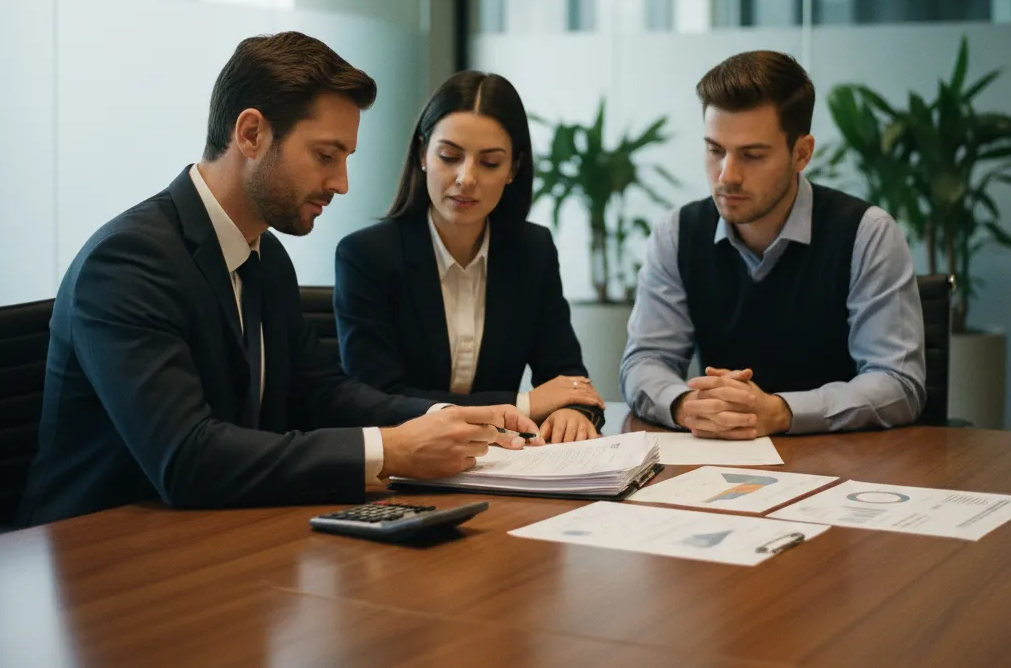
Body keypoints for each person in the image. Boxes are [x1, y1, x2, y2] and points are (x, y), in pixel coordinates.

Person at [19, 33, 540, 526]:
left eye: (344, 159)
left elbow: (321, 393)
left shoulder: (265, 257)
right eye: (325, 155)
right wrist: (393, 449)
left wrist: (448, 416)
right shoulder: (128, 262)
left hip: (218, 535)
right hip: (99, 552)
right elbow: (186, 457)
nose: (341, 182)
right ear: (251, 134)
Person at [620, 50, 926, 437]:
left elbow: (899, 384)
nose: (727, 176)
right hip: (720, 460)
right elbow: (645, 360)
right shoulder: (677, 233)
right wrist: (687, 406)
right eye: (715, 150)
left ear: (802, 153)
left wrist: (781, 411)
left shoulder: (866, 233)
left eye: (752, 155)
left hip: (845, 459)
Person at [335, 71, 605, 444]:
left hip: (505, 459)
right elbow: (376, 399)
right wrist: (522, 404)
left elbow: (567, 378)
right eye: (450, 156)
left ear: (513, 169)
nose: (466, 178)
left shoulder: (533, 251)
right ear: (422, 154)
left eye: (490, 162)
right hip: (405, 462)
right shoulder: (366, 256)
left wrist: (571, 412)